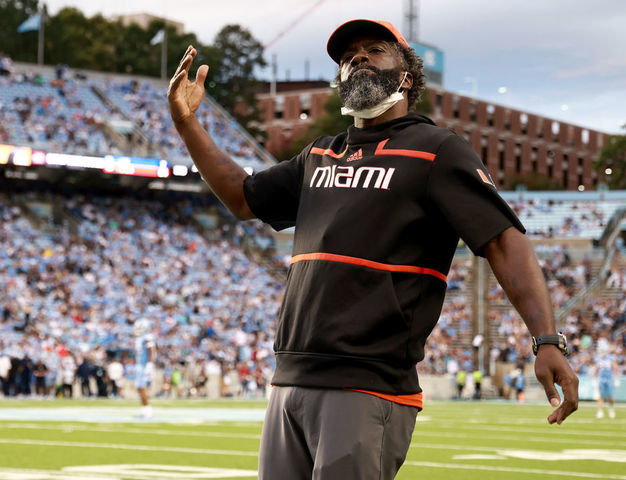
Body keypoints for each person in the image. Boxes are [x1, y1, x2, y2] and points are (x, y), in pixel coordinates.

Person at [168, 18, 579, 479]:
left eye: (374, 50)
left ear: (407, 76)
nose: (357, 58)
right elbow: (242, 197)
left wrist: (546, 340)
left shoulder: (437, 150)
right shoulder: (319, 154)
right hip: (288, 382)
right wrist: (188, 127)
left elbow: (505, 239)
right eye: (348, 57)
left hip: (367, 386)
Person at [133, 318, 156, 418]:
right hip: (140, 365)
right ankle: (144, 409)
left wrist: (150, 364)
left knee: (141, 387)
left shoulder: (147, 336)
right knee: (139, 388)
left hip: (144, 365)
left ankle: (147, 409)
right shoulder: (140, 337)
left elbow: (151, 350)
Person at [594, 343, 619, 419]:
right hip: (601, 379)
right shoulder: (598, 358)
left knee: (610, 397)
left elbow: (615, 368)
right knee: (600, 396)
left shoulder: (611, 358)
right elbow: (596, 369)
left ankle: (611, 408)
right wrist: (594, 379)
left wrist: (616, 379)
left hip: (609, 379)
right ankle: (600, 411)